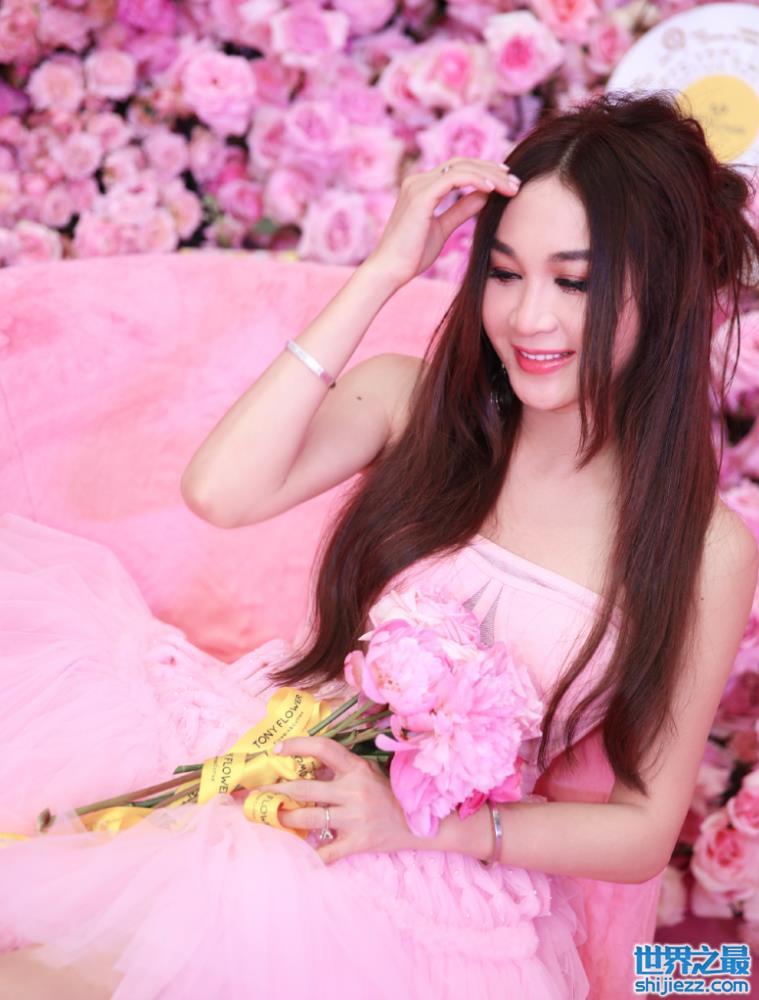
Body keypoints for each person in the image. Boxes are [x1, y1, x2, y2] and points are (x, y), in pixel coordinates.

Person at [1, 89, 758, 999]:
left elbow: (640, 830)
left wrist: (421, 825)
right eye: (504, 273)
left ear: (665, 296)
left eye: (574, 282)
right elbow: (220, 492)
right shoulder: (411, 404)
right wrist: (385, 269)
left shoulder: (702, 550)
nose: (528, 318)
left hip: (409, 873)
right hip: (244, 747)